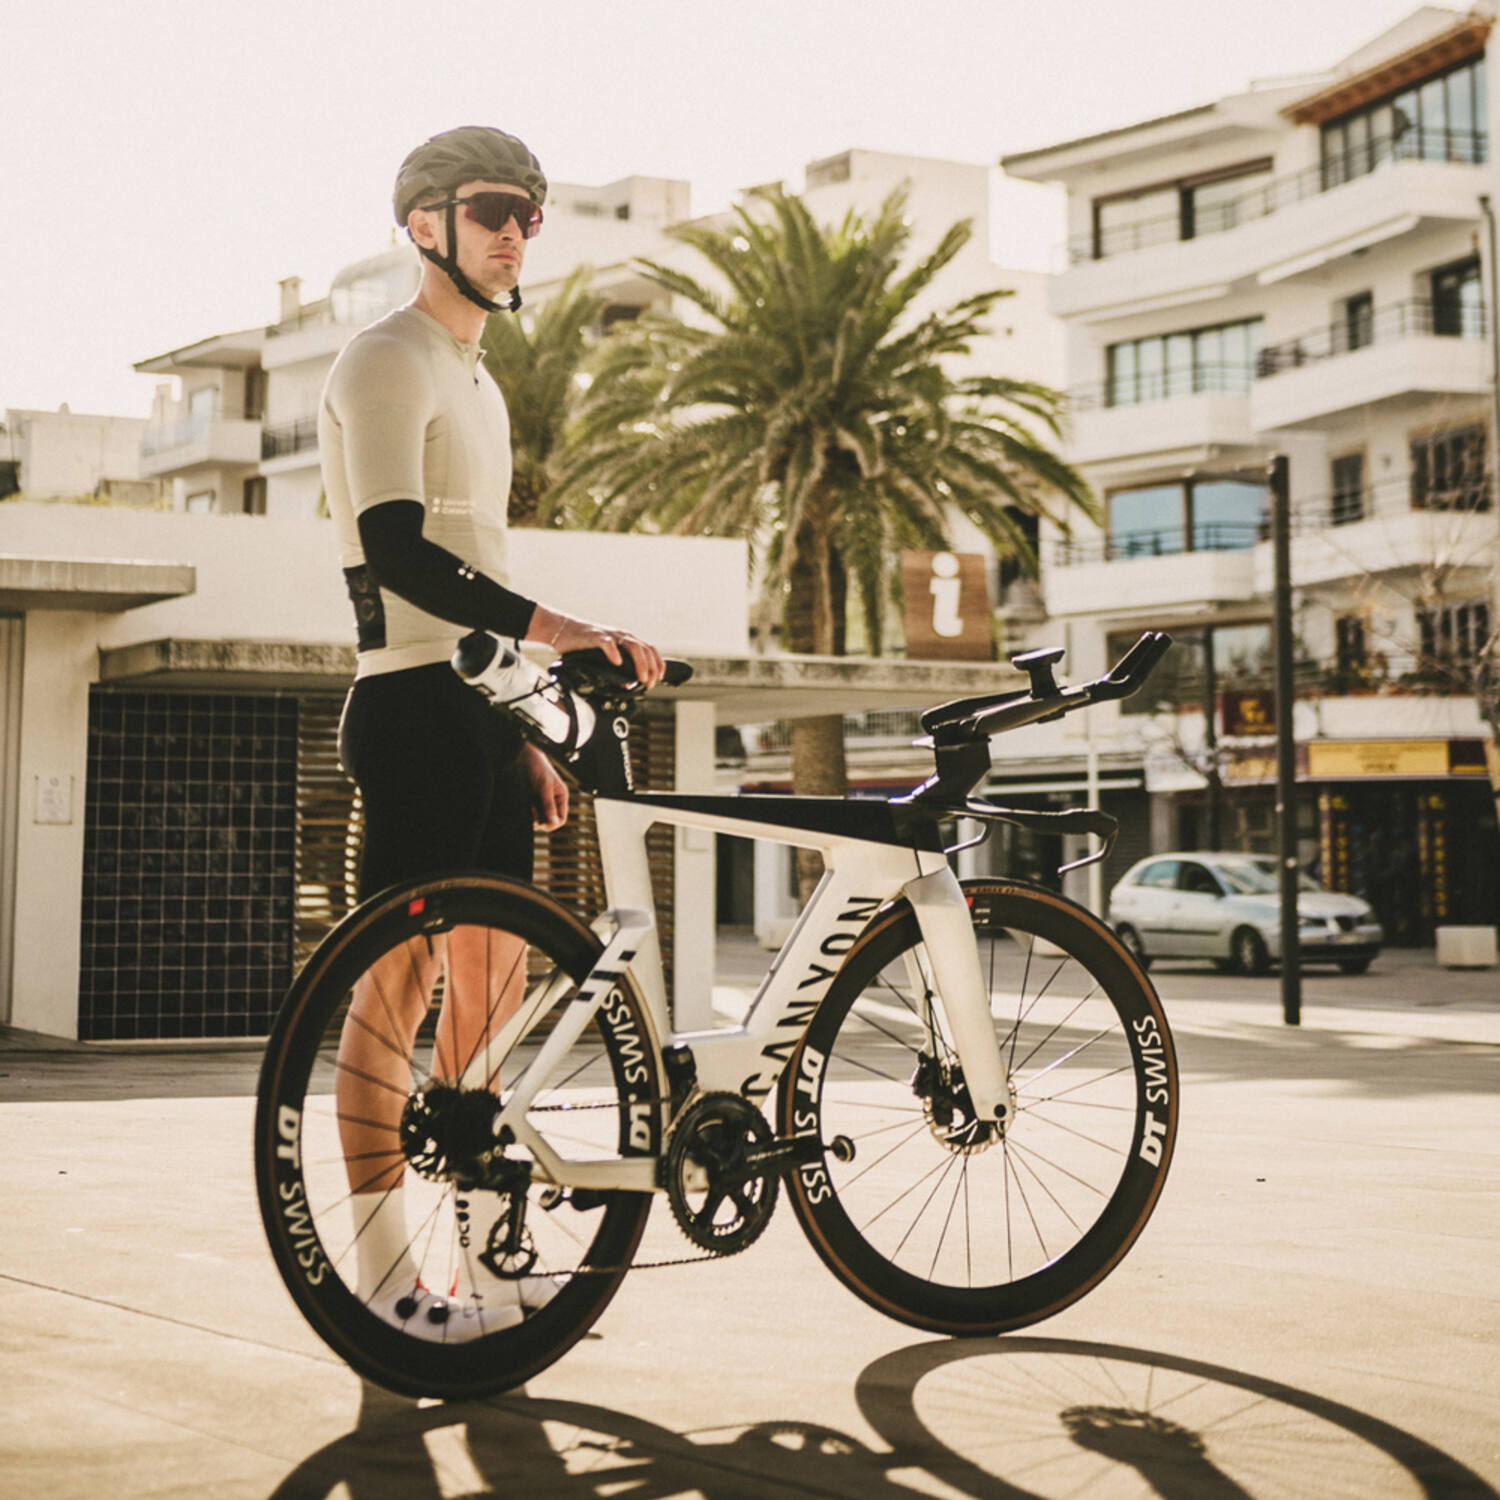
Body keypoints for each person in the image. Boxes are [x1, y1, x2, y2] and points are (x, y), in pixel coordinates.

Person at [319, 125, 664, 1339]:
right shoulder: (385, 357)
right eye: (491, 210)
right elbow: (401, 550)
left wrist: (519, 725)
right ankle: (381, 1279)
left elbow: (478, 568)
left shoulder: (481, 380)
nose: (517, 233)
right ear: (425, 223)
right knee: (396, 986)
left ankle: (480, 1258)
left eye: (530, 214)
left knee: (493, 985)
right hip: (409, 706)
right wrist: (556, 629)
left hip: (478, 711)